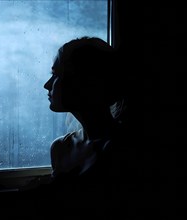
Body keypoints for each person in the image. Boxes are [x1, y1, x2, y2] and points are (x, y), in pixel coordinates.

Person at [38, 36, 139, 218]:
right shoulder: (60, 148)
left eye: (56, 75)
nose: (47, 85)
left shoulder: (123, 150)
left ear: (84, 81)